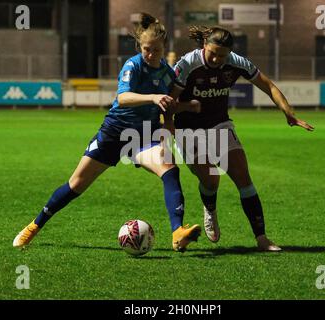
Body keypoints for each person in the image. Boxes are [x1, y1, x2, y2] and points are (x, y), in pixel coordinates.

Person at [13, 13, 201, 252]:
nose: (150, 54)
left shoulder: (167, 73)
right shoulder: (133, 65)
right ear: (139, 46)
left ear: (165, 47)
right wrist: (153, 97)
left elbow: (168, 102)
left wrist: (179, 111)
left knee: (170, 169)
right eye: (146, 49)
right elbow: (123, 98)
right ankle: (34, 226)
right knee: (76, 185)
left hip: (145, 135)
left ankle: (177, 232)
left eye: (155, 49)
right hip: (115, 132)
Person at [169, 26, 314, 251]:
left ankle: (262, 239)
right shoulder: (187, 64)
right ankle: (210, 209)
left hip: (220, 125)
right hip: (188, 129)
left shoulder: (236, 61)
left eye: (222, 55)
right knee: (211, 179)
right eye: (213, 53)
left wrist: (288, 112)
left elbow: (267, 85)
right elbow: (169, 104)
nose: (217, 59)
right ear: (204, 45)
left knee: (243, 178)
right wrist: (171, 129)